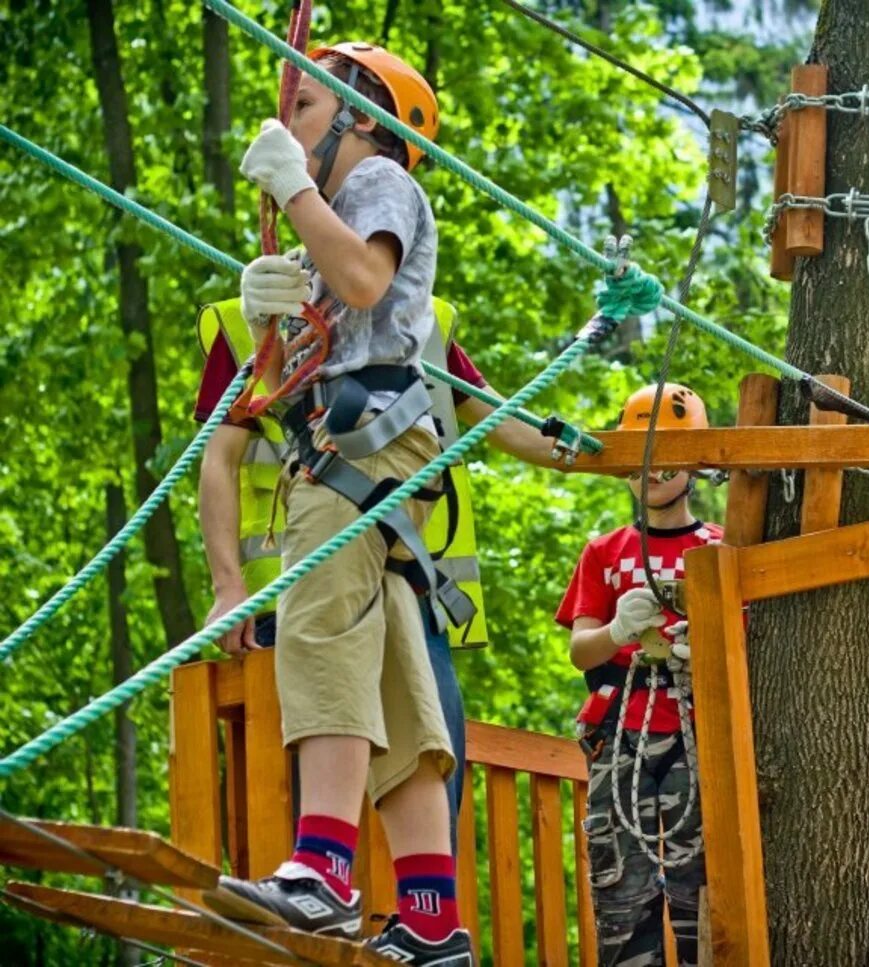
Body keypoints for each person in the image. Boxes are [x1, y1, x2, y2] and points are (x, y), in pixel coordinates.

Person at [199, 41, 471, 965]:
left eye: (306, 107)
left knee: (316, 637)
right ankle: (432, 917)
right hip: (373, 458)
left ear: (365, 117)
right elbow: (316, 332)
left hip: (352, 458)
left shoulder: (379, 183)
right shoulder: (343, 210)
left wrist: (298, 196)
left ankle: (321, 872)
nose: (289, 125)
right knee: (394, 684)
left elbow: (365, 280)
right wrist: (270, 307)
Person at [194, 292, 559, 844]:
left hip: (409, 586)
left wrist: (624, 454)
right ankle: (310, 913)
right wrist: (228, 587)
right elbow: (219, 458)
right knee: (302, 781)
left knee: (432, 758)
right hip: (298, 594)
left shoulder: (423, 318)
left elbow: (509, 424)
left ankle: (425, 920)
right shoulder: (255, 314)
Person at [556, 383, 717, 967]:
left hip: (698, 731)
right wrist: (620, 632)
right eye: (641, 453)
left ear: (697, 463)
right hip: (620, 731)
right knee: (621, 894)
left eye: (669, 452)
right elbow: (581, 650)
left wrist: (706, 646)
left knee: (702, 892)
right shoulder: (606, 551)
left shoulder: (720, 548)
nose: (653, 468)